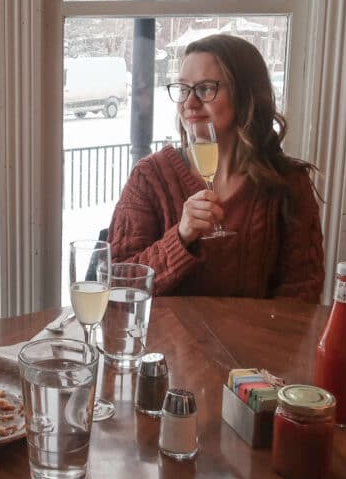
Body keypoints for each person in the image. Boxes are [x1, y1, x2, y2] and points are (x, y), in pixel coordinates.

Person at [108, 34, 324, 302]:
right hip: (164, 344)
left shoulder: (289, 182)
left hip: (252, 342)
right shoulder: (150, 177)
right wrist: (181, 236)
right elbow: (118, 283)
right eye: (184, 88)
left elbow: (302, 293)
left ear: (246, 95)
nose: (189, 103)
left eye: (206, 88)